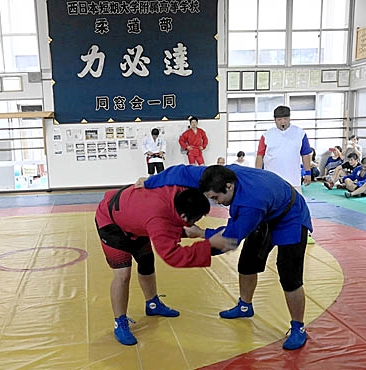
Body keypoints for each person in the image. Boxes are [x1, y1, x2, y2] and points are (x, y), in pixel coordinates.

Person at [137, 164, 313, 350]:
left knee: (289, 276)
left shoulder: (251, 203)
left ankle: (298, 327)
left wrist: (202, 235)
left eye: (216, 198)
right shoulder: (215, 175)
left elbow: (229, 240)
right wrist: (149, 182)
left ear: (229, 186)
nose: (216, 202)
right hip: (267, 211)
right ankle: (245, 307)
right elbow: (180, 171)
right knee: (247, 265)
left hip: (290, 217)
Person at [95, 185, 231, 346]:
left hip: (133, 215)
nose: (195, 223)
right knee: (123, 274)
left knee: (146, 261)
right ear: (183, 216)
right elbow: (174, 256)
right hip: (111, 223)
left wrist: (202, 234)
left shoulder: (177, 189)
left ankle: (152, 304)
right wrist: (209, 245)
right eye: (194, 220)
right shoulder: (157, 221)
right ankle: (120, 322)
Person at [256, 106, 312, 192]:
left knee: (295, 204)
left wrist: (308, 173)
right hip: (271, 180)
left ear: (289, 118)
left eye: (285, 119)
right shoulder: (266, 135)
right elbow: (260, 156)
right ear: (275, 120)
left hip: (293, 180)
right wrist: (258, 175)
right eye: (279, 120)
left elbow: (305, 154)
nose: (283, 122)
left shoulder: (300, 133)